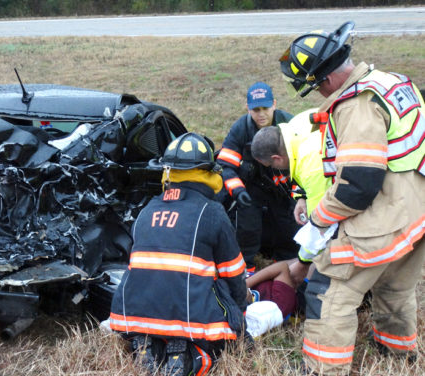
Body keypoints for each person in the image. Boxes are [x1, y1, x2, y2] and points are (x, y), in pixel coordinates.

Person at [280, 21, 425, 375]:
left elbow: (358, 184)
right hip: (415, 207)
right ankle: (397, 352)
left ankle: (322, 369)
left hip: (384, 215)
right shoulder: (390, 81)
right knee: (394, 283)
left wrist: (319, 222)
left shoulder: (357, 104)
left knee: (328, 290)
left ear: (325, 80)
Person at [109, 133, 248, 376]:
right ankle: (191, 357)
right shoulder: (212, 211)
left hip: (133, 313)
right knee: (218, 344)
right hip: (187, 313)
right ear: (208, 173)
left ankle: (148, 344)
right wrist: (239, 315)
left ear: (168, 173)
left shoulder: (147, 209)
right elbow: (233, 272)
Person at [216, 81, 300, 273]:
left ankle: (288, 268)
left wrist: (298, 194)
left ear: (275, 104)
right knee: (247, 228)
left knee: (288, 228)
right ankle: (248, 271)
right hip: (251, 189)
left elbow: (303, 163)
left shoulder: (290, 124)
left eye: (265, 108)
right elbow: (225, 166)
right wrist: (238, 192)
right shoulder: (240, 129)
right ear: (247, 108)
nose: (261, 114)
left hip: (284, 188)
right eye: (255, 109)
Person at [251, 109, 333, 269]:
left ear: (277, 158)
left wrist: (302, 261)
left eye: (272, 166)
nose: (276, 169)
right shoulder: (297, 123)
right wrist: (301, 196)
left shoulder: (311, 169)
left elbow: (321, 225)